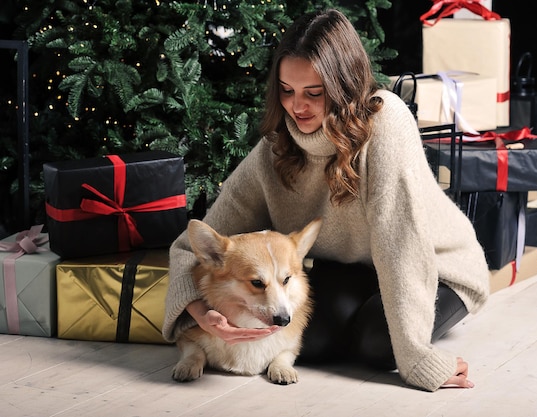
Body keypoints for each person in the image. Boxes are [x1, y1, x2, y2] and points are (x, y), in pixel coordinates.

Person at [162, 9, 490, 392]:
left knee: (379, 346)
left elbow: (401, 246)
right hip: (357, 268)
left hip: (436, 266)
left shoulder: (386, 123)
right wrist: (200, 314)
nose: (297, 106)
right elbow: (192, 247)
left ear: (343, 86)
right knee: (310, 342)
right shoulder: (277, 147)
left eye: (313, 93)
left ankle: (420, 325)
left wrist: (417, 357)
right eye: (287, 91)